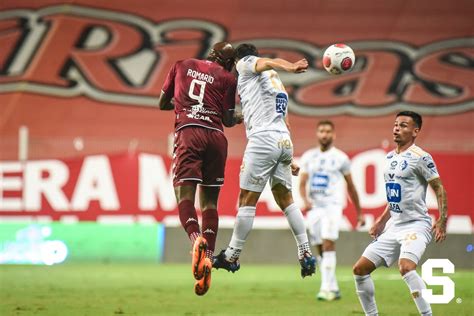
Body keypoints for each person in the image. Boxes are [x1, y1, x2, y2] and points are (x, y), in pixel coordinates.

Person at [213, 43, 316, 277]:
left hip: (262, 141)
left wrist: (291, 66)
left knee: (247, 200)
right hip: (283, 142)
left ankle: (232, 255)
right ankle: (306, 252)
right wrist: (290, 159)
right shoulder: (274, 81)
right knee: (286, 200)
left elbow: (266, 61)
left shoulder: (247, 64)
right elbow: (285, 121)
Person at [158, 41, 242, 296]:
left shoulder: (181, 65)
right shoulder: (228, 77)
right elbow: (228, 119)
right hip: (216, 137)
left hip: (188, 132)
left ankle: (196, 241)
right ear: (228, 63)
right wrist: (240, 116)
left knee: (184, 196)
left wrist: (186, 106)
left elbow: (162, 103)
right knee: (210, 203)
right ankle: (208, 259)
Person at [352, 111, 448, 316]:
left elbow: (439, 188)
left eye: (403, 125)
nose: (397, 128)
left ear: (416, 131)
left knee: (405, 267)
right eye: (396, 124)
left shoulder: (421, 157)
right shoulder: (389, 158)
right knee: (360, 270)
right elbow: (394, 196)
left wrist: (441, 219)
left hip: (416, 224)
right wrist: (381, 221)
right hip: (394, 226)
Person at [299, 120, 365, 301]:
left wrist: (359, 212)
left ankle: (325, 288)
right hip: (315, 208)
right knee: (320, 247)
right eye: (321, 131)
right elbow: (302, 182)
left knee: (328, 243)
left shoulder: (341, 158)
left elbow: (351, 186)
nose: (324, 134)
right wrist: (305, 200)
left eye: (328, 131)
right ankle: (333, 286)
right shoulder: (308, 157)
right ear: (317, 134)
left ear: (333, 135)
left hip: (333, 206)